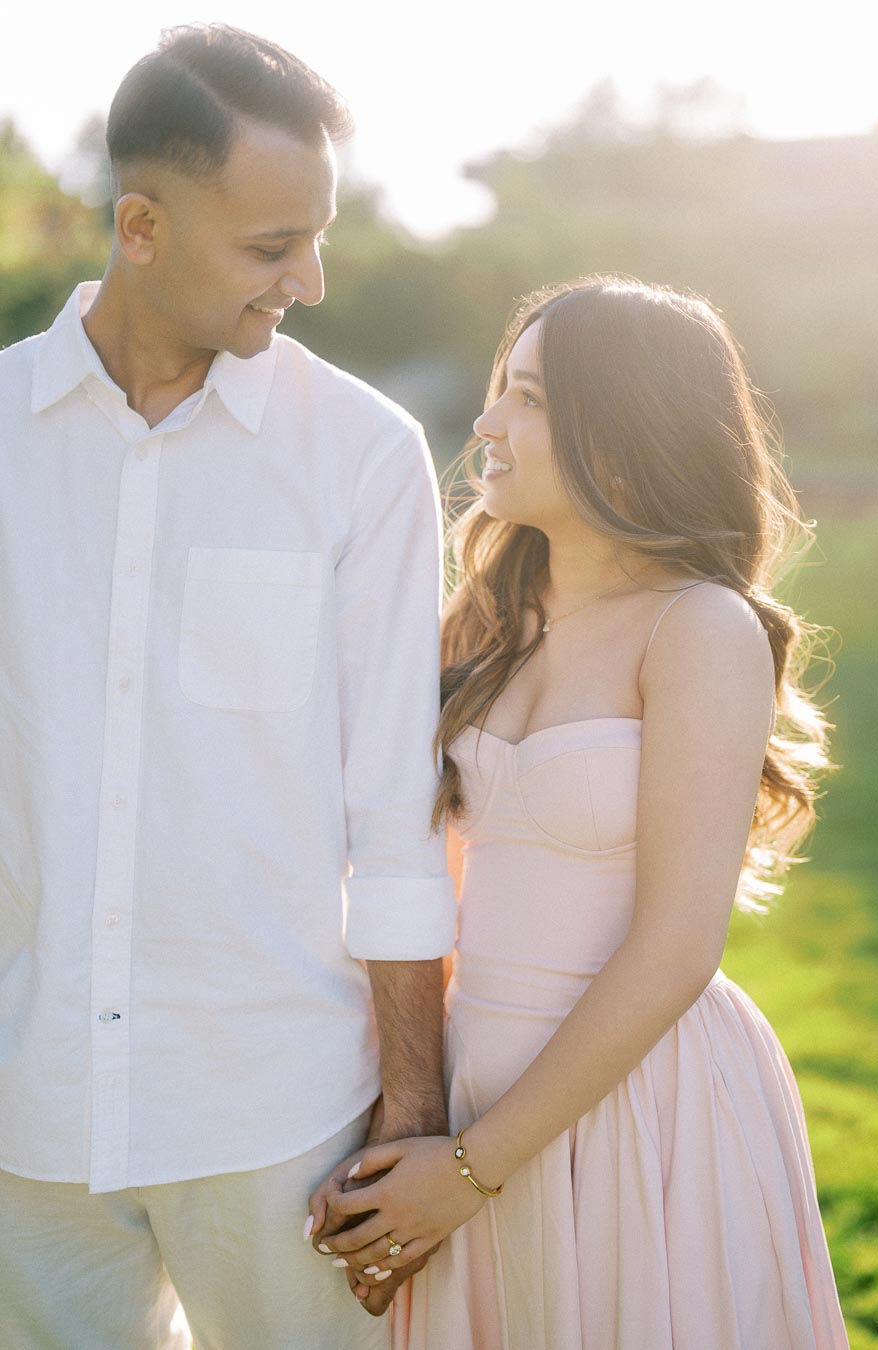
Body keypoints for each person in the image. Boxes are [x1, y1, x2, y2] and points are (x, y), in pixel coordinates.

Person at [0, 24, 457, 1350]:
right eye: (272, 247)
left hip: (278, 1112)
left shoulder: (364, 457)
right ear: (140, 227)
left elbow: (394, 811)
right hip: (28, 1106)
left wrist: (413, 1110)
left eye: (317, 239)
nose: (308, 280)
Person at [307, 275, 851, 1349]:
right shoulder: (485, 620)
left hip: (636, 1098)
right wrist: (414, 1108)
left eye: (530, 398)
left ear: (624, 435)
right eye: (501, 388)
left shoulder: (698, 628)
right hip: (473, 1078)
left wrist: (471, 1171)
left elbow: (677, 948)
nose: (486, 424)